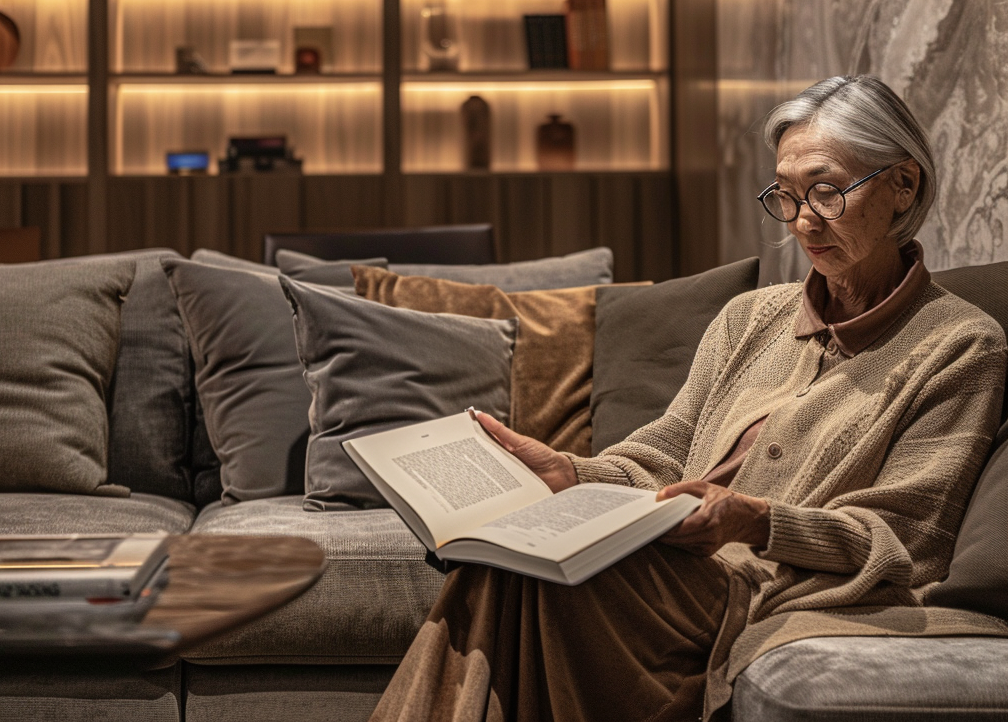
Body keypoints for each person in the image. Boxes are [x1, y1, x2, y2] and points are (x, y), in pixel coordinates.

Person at [368, 76, 1007, 722]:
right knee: (501, 567)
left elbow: (905, 540)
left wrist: (754, 520)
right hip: (674, 564)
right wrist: (571, 472)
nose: (803, 221)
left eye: (825, 191)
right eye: (784, 196)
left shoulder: (961, 346)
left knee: (529, 583)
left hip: (761, 590)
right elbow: (665, 454)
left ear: (904, 185)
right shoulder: (749, 320)